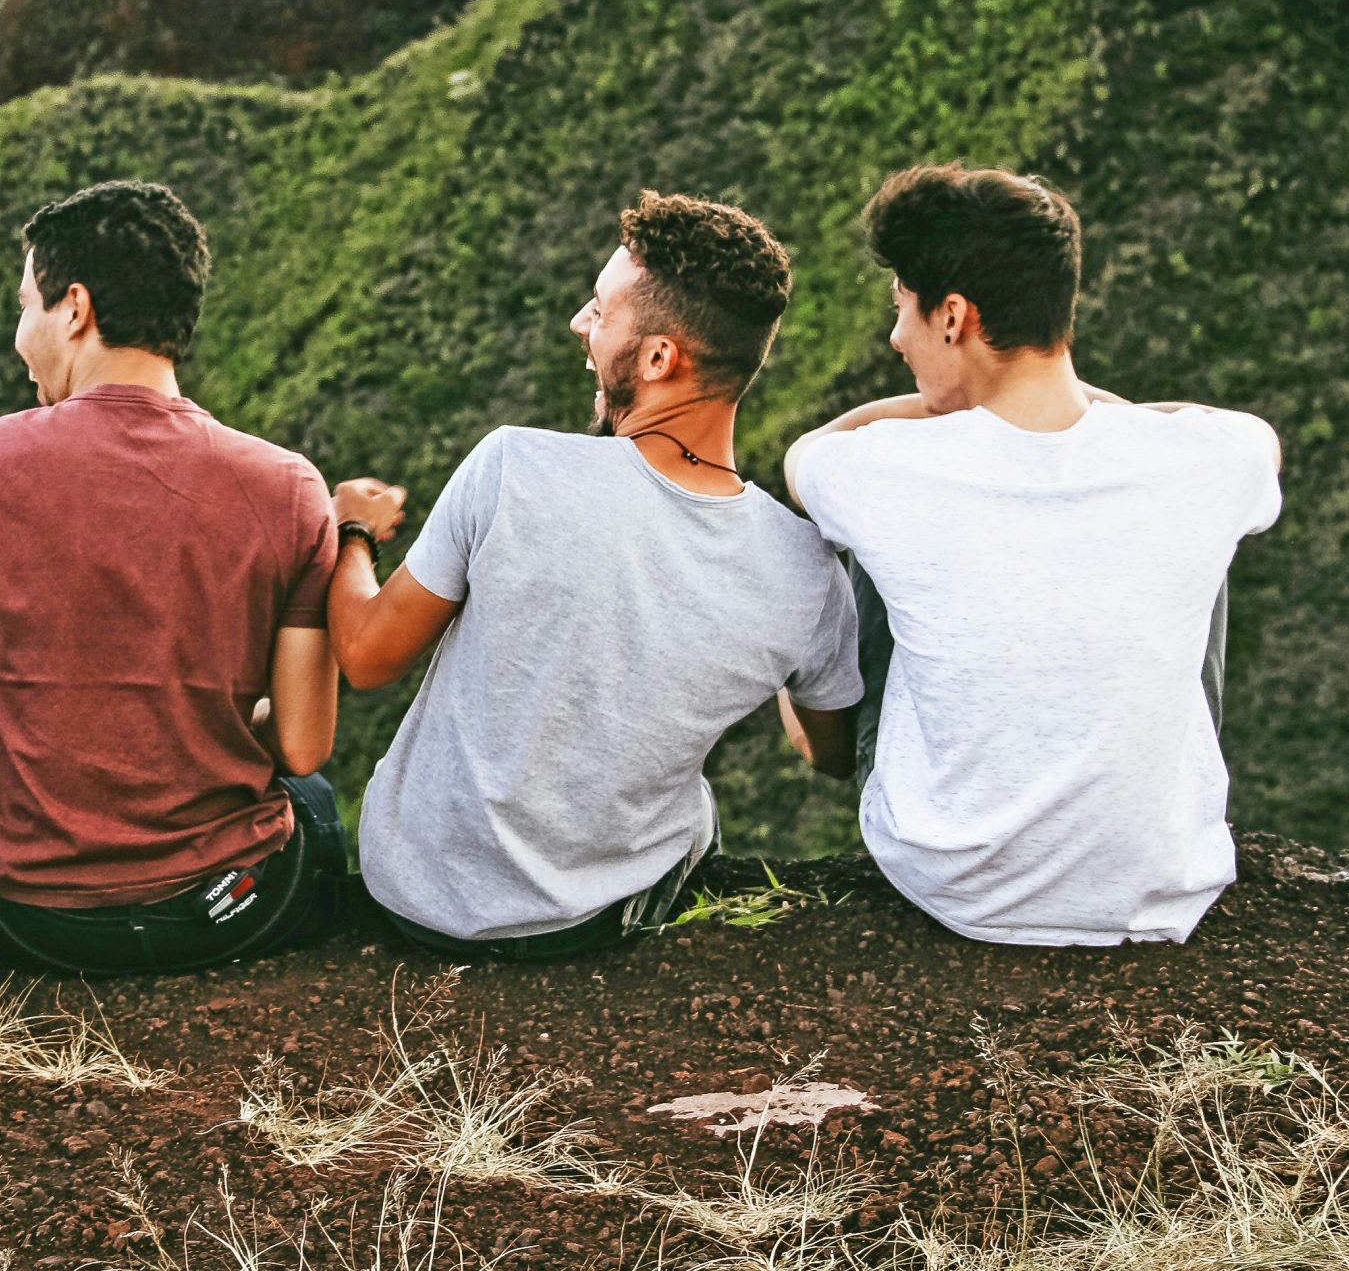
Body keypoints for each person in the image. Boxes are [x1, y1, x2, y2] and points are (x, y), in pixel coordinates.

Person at [330, 191, 865, 960]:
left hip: (413, 896)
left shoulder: (512, 466)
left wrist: (352, 531)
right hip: (588, 924)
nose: (580, 325)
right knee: (696, 809)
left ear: (658, 358)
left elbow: (367, 656)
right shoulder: (806, 571)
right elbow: (829, 754)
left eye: (600, 310)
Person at [781, 164, 1282, 947]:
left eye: (902, 309)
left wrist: (937, 409)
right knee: (1195, 535)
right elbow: (1254, 437)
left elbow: (807, 456)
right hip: (1157, 886)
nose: (894, 338)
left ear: (953, 316)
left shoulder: (882, 466)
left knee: (864, 541)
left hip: (954, 881)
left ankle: (831, 751)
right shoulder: (1206, 459)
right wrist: (1098, 413)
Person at [0, 180, 362, 975]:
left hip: (35, 922)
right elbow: (302, 743)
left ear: (73, 308)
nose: (20, 337)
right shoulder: (289, 487)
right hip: (225, 910)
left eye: (24, 308)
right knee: (312, 806)